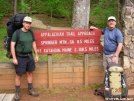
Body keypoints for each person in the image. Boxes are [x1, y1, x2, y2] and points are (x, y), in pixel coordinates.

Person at [90, 16, 123, 89]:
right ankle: (107, 85)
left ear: (115, 23)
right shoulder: (106, 30)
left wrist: (115, 55)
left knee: (113, 71)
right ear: (108, 23)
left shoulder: (118, 32)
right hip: (105, 54)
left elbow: (120, 45)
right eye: (110, 21)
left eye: (113, 21)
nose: (111, 22)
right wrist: (94, 28)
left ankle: (114, 88)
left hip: (112, 55)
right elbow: (100, 31)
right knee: (106, 70)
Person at [11, 16, 39, 101]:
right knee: (18, 75)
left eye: (29, 23)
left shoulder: (31, 32)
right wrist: (14, 58)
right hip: (20, 57)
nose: (28, 25)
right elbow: (12, 45)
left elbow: (33, 44)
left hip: (29, 56)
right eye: (26, 23)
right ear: (23, 23)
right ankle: (17, 92)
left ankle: (30, 90)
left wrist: (36, 55)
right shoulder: (17, 33)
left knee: (30, 73)